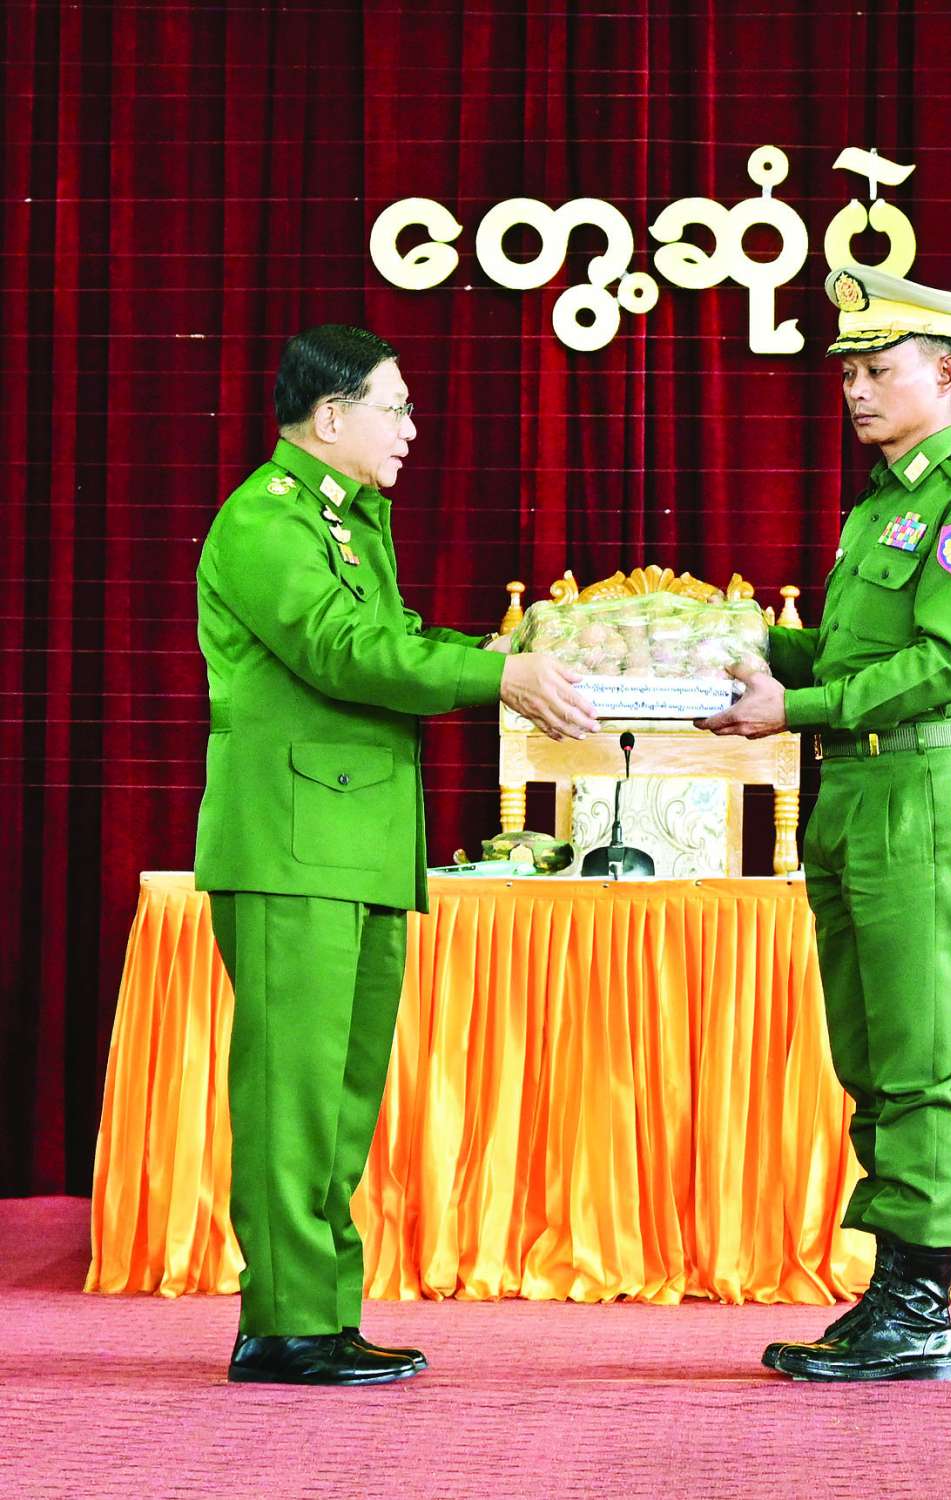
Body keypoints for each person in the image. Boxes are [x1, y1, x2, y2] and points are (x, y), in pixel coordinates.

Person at [194, 324, 597, 1386]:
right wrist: (493, 676)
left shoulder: (346, 517)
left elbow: (390, 642)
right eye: (397, 408)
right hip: (292, 847)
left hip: (355, 844)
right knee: (293, 1096)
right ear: (331, 417)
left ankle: (321, 1314)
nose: (412, 430)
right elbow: (344, 652)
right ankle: (283, 1324)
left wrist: (487, 656)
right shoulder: (266, 518)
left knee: (340, 1098)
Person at [700, 265, 951, 1382]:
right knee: (871, 1052)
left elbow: (942, 664)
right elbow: (848, 657)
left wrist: (789, 707)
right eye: (846, 372)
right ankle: (892, 1291)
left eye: (876, 370)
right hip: (852, 794)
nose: (854, 390)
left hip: (918, 793)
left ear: (943, 374)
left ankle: (920, 1312)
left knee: (922, 1055)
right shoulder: (880, 508)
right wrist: (749, 647)